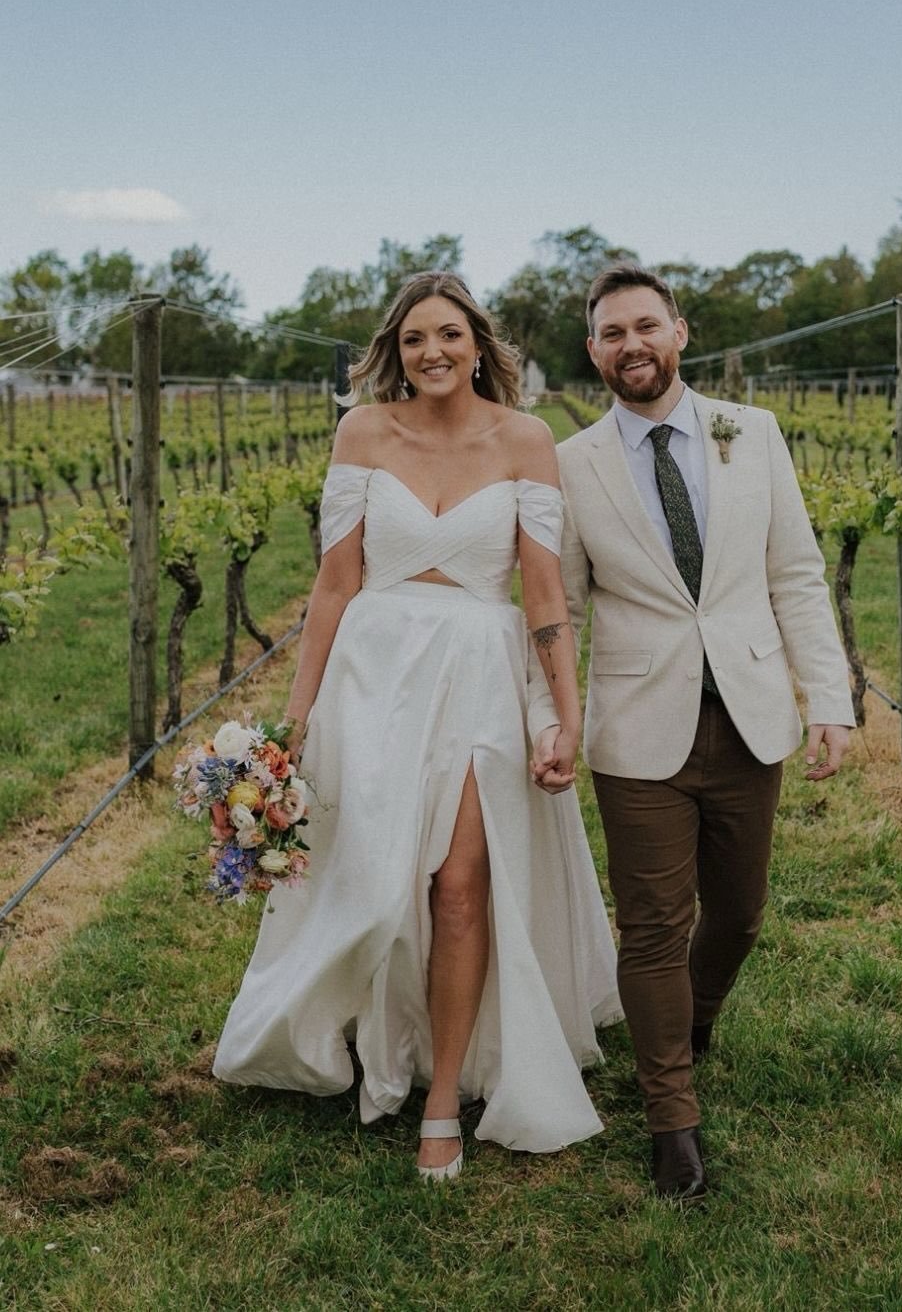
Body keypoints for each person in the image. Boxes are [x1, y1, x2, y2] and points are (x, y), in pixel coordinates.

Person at [213, 272, 621, 1181]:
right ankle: (370, 1037)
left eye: (447, 335)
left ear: (479, 343)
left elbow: (546, 593)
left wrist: (564, 713)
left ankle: (442, 1101)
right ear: (393, 354)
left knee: (460, 884)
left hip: (481, 671)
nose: (430, 353)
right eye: (411, 341)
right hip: (373, 674)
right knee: (373, 875)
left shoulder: (527, 440)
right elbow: (332, 585)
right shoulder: (362, 432)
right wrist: (296, 719)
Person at [541, 264, 854, 1200]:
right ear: (593, 352)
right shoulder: (570, 464)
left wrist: (827, 697)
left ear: (680, 332)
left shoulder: (751, 434)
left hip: (750, 716)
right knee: (650, 928)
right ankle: (671, 1116)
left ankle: (696, 1015)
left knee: (741, 915)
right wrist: (550, 720)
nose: (631, 345)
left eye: (646, 326)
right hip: (639, 728)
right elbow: (557, 609)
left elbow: (795, 572)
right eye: (611, 333)